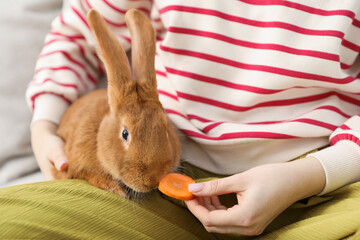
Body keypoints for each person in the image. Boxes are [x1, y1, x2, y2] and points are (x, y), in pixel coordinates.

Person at [2, 0, 360, 238]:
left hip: (323, 183)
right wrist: (44, 124)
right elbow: (80, 36)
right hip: (168, 183)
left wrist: (314, 174)